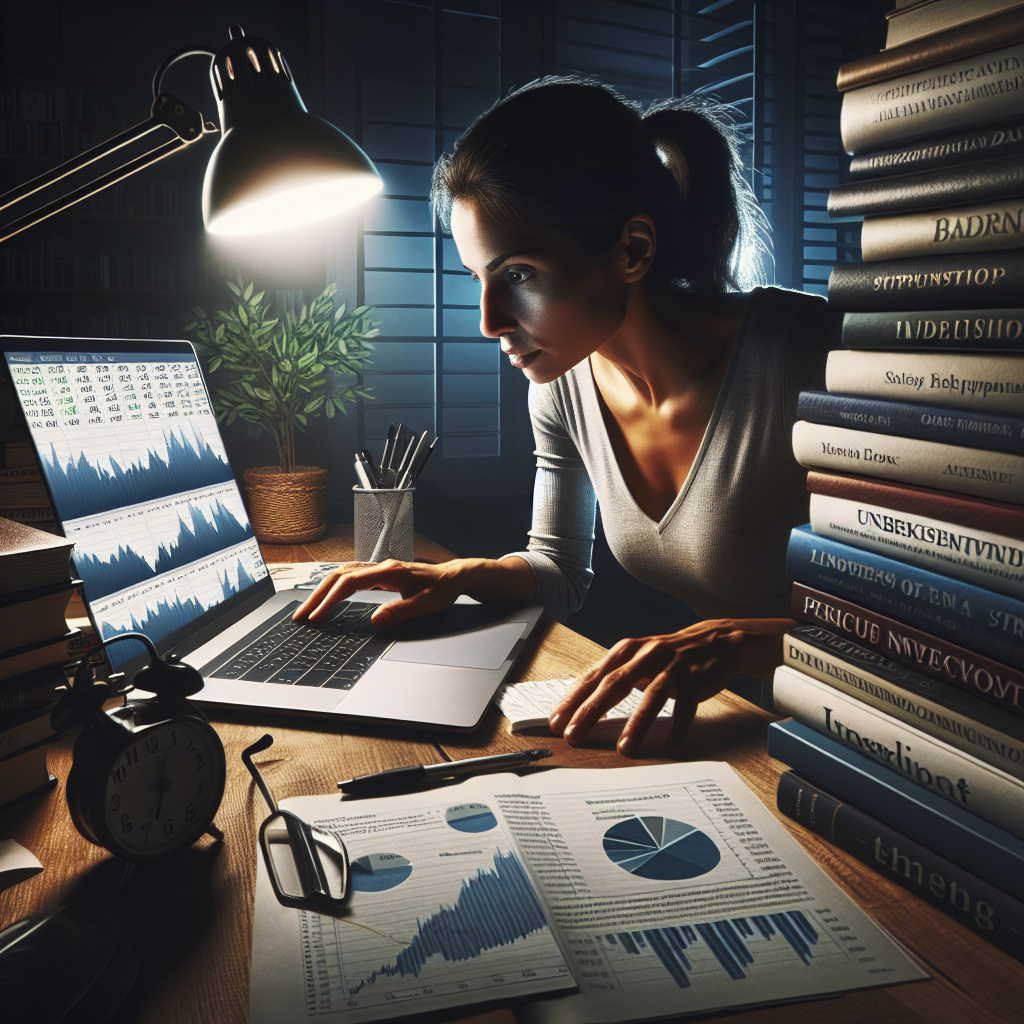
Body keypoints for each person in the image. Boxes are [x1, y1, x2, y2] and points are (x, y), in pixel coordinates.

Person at [294, 77, 839, 757]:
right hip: (748, 734)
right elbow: (557, 572)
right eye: (478, 278)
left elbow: (947, 623)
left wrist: (742, 638)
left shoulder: (811, 357)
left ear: (632, 251)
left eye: (518, 274)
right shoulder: (561, 386)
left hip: (886, 740)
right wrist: (458, 575)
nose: (490, 320)